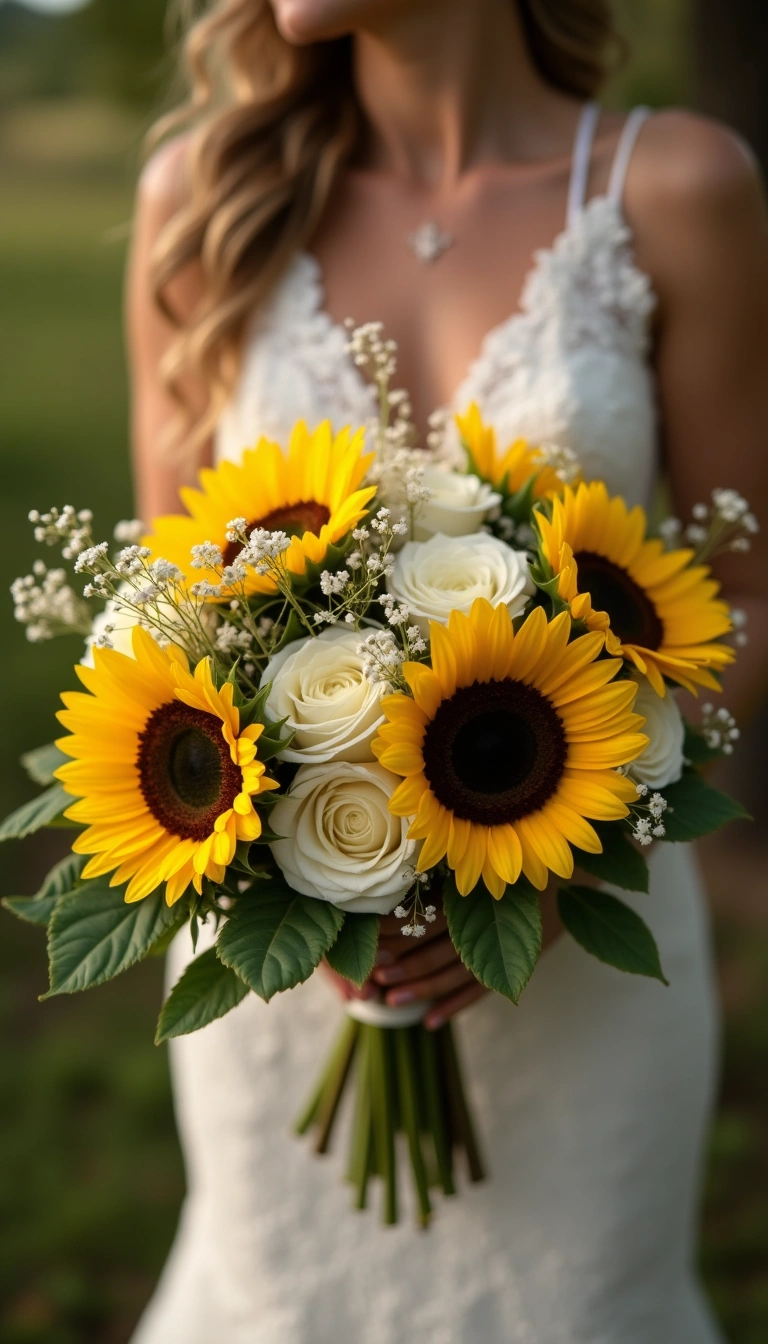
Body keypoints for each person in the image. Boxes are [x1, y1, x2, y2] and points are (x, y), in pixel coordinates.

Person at [127, 1, 768, 1340]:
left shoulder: (676, 189)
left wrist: (552, 855)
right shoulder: (205, 202)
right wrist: (306, 883)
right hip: (282, 971)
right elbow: (171, 633)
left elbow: (746, 591)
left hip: (584, 950)